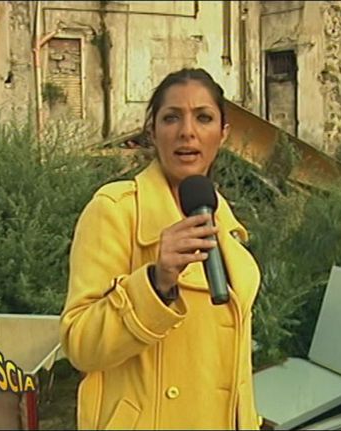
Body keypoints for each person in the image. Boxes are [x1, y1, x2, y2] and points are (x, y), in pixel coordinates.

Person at [59, 68, 262, 430]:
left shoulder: (223, 221)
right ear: (152, 132)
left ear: (223, 134)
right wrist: (156, 283)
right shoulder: (115, 212)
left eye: (203, 117)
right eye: (172, 118)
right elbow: (80, 345)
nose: (187, 131)